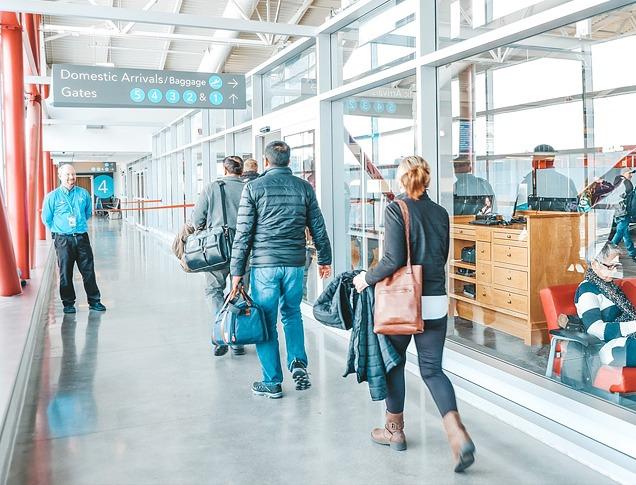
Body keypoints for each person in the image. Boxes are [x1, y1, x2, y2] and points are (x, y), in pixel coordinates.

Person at [352, 155, 475, 473]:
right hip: (435, 299)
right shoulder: (440, 212)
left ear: (401, 179)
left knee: (395, 363)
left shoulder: (397, 209)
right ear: (427, 179)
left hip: (404, 301)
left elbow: (393, 259)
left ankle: (394, 431)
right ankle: (457, 434)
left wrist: (365, 278)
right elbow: (442, 255)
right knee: (433, 370)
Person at [229, 141, 332, 399]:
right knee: (292, 313)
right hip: (295, 264)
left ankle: (272, 381)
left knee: (265, 320)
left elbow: (243, 235)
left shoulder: (253, 188)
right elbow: (318, 226)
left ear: (266, 162)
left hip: (264, 266)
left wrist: (236, 272)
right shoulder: (304, 187)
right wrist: (324, 259)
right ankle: (298, 362)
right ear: (289, 161)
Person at [191, 156, 247, 357]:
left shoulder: (212, 187)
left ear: (225, 170)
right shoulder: (250, 188)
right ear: (241, 171)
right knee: (239, 291)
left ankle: (221, 332)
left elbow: (197, 218)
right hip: (245, 250)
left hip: (217, 249)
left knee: (214, 290)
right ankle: (238, 339)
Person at [42, 164, 106, 314]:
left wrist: (77, 227)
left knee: (88, 270)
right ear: (60, 176)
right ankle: (68, 303)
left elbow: (87, 213)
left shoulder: (83, 194)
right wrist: (60, 230)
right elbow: (47, 219)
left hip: (82, 238)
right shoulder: (52, 197)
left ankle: (94, 301)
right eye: (68, 175)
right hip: (63, 240)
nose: (71, 178)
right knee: (65, 272)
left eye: (73, 174)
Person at [575, 243, 636, 368]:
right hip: (608, 348)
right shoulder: (587, 290)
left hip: (625, 341)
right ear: (594, 264)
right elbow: (595, 330)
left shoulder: (611, 288)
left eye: (616, 266)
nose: (614, 271)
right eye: (610, 266)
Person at [515, 144, 577, 210]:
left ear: (551, 162)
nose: (533, 162)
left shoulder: (566, 182)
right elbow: (520, 211)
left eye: (539, 161)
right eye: (534, 160)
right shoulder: (526, 182)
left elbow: (574, 208)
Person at [609, 169, 636, 261]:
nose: (631, 175)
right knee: (620, 232)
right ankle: (608, 251)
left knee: (624, 232)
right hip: (623, 212)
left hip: (618, 211)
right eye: (629, 173)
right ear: (623, 173)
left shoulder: (618, 182)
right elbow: (629, 196)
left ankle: (632, 252)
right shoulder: (625, 182)